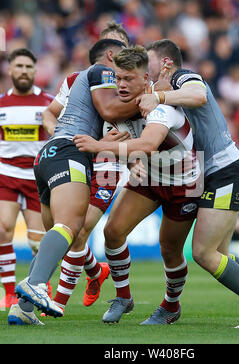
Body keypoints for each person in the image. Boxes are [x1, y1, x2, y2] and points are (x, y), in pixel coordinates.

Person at [137, 39, 239, 328]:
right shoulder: (172, 97)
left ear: (167, 64)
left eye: (150, 66)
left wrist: (158, 98)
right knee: (220, 254)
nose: (148, 75)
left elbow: (198, 95)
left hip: (225, 172)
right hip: (221, 173)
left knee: (203, 253)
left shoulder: (182, 77)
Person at [8, 38, 139, 325]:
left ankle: (23, 309)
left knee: (58, 236)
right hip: (70, 154)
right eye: (124, 58)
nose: (127, 69)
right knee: (70, 226)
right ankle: (36, 285)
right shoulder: (100, 72)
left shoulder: (83, 81)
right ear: (110, 55)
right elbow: (109, 111)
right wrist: (150, 97)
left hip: (48, 156)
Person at [74, 45, 203, 325]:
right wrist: (129, 160)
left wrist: (97, 145)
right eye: (118, 78)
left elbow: (147, 143)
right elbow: (125, 146)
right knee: (112, 231)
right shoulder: (117, 108)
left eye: (128, 79)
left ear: (145, 79)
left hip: (185, 182)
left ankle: (171, 305)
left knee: (169, 250)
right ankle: (123, 297)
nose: (121, 85)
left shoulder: (159, 105)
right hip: (150, 178)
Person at [41, 22, 130, 313]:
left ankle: (57, 304)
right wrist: (62, 140)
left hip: (107, 163)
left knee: (78, 231)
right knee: (66, 229)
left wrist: (136, 158)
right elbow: (49, 114)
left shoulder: (134, 84)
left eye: (120, 46)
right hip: (73, 157)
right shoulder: (75, 80)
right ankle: (95, 271)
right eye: (110, 46)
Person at [0, 48, 53, 309]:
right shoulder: (1, 104)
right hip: (6, 175)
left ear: (35, 71)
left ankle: (40, 286)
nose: (24, 71)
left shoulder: (49, 103)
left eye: (29, 67)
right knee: (1, 229)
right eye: (19, 66)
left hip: (36, 177)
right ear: (10, 70)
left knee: (37, 242)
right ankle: (9, 291)